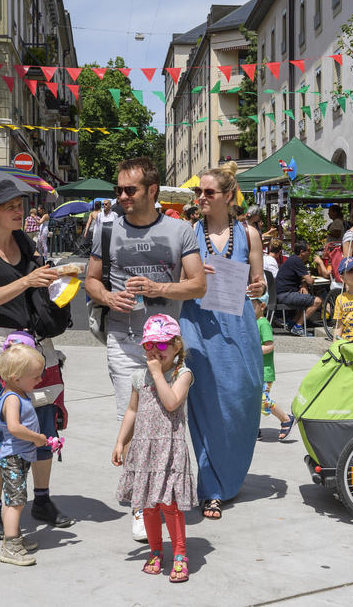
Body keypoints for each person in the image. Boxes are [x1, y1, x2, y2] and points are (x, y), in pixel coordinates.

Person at [83, 157, 205, 540]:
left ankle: (166, 492)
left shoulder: (180, 230)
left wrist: (159, 288)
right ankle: (141, 504)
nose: (122, 196)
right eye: (118, 189)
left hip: (167, 349)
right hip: (124, 340)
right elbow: (91, 280)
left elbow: (198, 284)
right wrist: (107, 297)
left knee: (167, 424)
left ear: (152, 190)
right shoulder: (106, 229)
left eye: (130, 190)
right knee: (132, 419)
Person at [0, 178, 71, 540]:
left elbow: (39, 279)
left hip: (35, 346)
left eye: (19, 204)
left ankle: (42, 499)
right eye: (9, 206)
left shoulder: (23, 241)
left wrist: (55, 276)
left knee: (44, 424)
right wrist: (28, 281)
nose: (18, 210)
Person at [178, 162, 265, 521]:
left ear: (228, 196)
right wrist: (195, 276)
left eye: (208, 192)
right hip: (198, 323)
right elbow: (177, 279)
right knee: (205, 405)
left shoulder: (249, 234)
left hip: (237, 323)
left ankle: (230, 475)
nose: (200, 197)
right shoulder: (187, 232)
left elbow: (259, 282)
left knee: (243, 400)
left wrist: (259, 287)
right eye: (198, 192)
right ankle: (210, 488)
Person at [112, 314, 196, 582]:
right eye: (149, 345)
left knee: (170, 505)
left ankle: (180, 554)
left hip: (169, 449)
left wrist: (158, 374)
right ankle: (155, 551)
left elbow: (171, 403)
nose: (154, 351)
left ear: (176, 346)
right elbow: (132, 410)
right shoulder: (139, 376)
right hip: (144, 450)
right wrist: (120, 441)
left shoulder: (182, 374)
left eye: (161, 345)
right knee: (147, 506)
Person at [0, 340, 53, 566]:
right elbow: (14, 427)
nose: (39, 380)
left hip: (19, 456)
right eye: (35, 377)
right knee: (16, 502)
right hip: (13, 457)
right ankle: (10, 546)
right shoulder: (12, 398)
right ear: (16, 378)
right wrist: (37, 438)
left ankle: (14, 537)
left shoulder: (19, 393)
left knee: (13, 499)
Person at [249, 292, 294, 441]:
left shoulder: (263, 324)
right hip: (254, 371)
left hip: (265, 372)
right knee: (252, 401)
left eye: (252, 306)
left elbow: (269, 346)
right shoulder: (250, 323)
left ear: (262, 306)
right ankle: (253, 429)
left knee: (263, 400)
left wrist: (252, 350)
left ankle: (286, 419)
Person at [274, 241, 322, 337]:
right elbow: (310, 281)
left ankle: (292, 324)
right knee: (317, 301)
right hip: (285, 295)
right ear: (301, 252)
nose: (310, 253)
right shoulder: (297, 261)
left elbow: (302, 279)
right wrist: (310, 279)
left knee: (305, 299)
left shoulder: (292, 259)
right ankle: (298, 327)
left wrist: (303, 284)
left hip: (281, 294)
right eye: (308, 250)